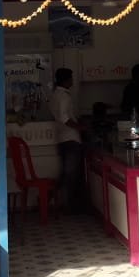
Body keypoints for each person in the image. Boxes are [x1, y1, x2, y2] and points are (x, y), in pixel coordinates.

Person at [49, 67, 85, 212]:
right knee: (71, 175)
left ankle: (50, 198)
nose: (72, 81)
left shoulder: (54, 95)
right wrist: (80, 127)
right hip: (71, 139)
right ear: (66, 80)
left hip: (61, 139)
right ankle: (70, 206)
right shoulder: (64, 96)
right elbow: (65, 118)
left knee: (65, 173)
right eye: (71, 78)